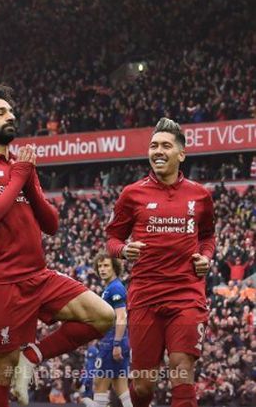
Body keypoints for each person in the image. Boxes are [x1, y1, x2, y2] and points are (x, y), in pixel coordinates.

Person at [0, 82, 114, 407]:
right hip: (0, 280)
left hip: (37, 275)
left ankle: (33, 356)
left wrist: (28, 179)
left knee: (103, 316)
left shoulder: (19, 165)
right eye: (0, 112)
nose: (10, 116)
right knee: (0, 368)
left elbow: (50, 224)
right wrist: (18, 177)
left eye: (11, 111)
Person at [106, 117, 215, 407]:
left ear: (181, 154)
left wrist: (206, 257)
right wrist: (124, 250)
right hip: (145, 295)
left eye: (166, 145)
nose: (158, 151)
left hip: (186, 293)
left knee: (182, 367)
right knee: (143, 385)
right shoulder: (132, 194)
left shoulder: (200, 195)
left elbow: (208, 237)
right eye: (153, 145)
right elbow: (112, 239)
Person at [91, 253, 132, 407]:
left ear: (115, 267)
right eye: (100, 266)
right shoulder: (111, 287)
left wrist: (116, 344)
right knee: (120, 386)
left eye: (106, 265)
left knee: (100, 383)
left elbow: (122, 317)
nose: (102, 269)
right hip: (117, 341)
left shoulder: (115, 288)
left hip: (112, 342)